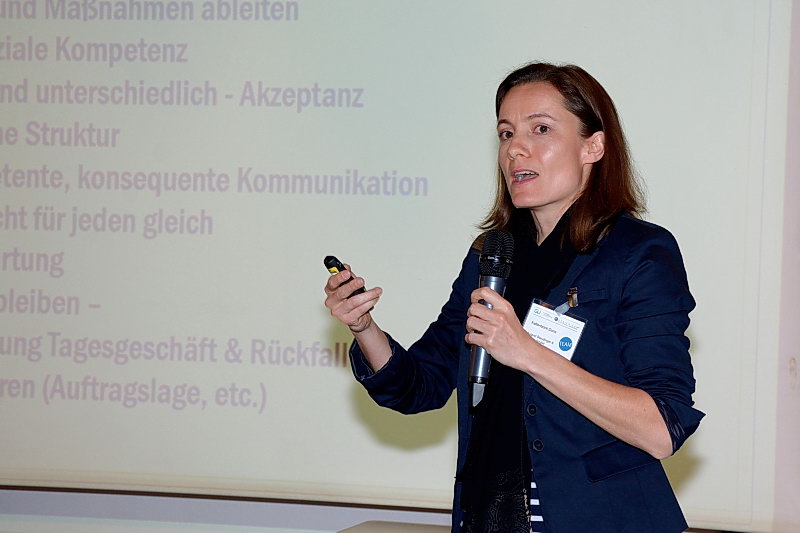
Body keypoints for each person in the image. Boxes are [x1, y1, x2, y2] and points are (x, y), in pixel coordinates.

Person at [324, 62, 704, 533]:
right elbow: (420, 385)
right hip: (491, 513)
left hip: (601, 518)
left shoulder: (638, 253)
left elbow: (662, 428)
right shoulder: (492, 256)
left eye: (540, 129)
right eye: (506, 134)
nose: (515, 149)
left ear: (593, 146)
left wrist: (527, 353)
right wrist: (363, 327)